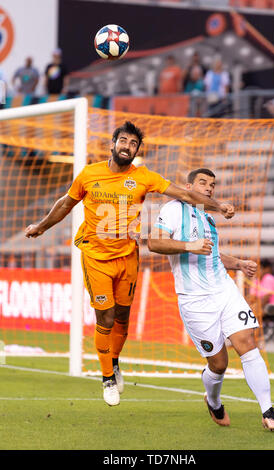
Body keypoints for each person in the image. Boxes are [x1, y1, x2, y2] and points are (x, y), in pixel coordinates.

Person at [25, 122, 234, 407]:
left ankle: (114, 360)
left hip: (128, 256)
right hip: (96, 257)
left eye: (133, 143)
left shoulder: (145, 176)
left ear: (136, 150)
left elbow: (184, 194)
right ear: (113, 144)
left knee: (123, 316)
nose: (127, 146)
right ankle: (107, 377)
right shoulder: (89, 174)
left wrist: (218, 205)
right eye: (123, 140)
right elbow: (65, 203)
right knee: (106, 318)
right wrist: (42, 226)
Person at [148, 168, 274, 431]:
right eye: (203, 183)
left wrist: (238, 263)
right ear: (188, 186)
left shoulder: (207, 217)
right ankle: (213, 400)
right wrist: (189, 245)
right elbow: (154, 243)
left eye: (212, 184)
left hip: (224, 290)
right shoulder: (174, 209)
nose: (209, 188)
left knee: (246, 342)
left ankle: (268, 411)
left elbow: (211, 255)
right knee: (219, 363)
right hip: (195, 300)